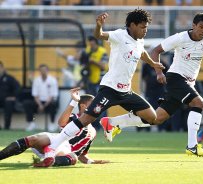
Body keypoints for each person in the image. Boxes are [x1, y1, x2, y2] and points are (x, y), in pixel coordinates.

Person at [35, 9, 165, 167]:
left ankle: (112, 123)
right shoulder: (120, 35)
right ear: (132, 25)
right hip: (110, 89)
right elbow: (99, 35)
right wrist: (98, 26)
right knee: (86, 119)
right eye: (143, 27)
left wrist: (153, 64)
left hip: (126, 91)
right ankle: (52, 147)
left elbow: (142, 52)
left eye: (146, 27)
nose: (146, 30)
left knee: (152, 117)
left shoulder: (139, 40)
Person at [101, 13, 203, 156]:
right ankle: (192, 146)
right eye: (201, 27)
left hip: (188, 83)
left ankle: (112, 122)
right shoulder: (180, 38)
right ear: (193, 26)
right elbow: (155, 51)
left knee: (157, 118)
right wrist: (159, 72)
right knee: (199, 103)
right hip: (175, 79)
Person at [0, 88, 109, 166]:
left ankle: (48, 159)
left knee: (74, 158)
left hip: (66, 152)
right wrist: (74, 102)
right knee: (33, 139)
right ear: (83, 106)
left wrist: (93, 162)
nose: (96, 106)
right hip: (57, 139)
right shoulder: (74, 117)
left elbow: (82, 155)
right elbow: (61, 123)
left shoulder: (93, 131)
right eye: (93, 104)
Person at [23, 64, 59, 132]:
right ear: (39, 71)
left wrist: (44, 105)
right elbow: (35, 95)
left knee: (53, 104)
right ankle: (32, 123)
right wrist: (40, 105)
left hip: (49, 102)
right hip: (39, 102)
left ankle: (52, 124)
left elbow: (52, 95)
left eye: (44, 70)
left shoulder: (52, 80)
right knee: (27, 103)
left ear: (47, 71)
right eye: (41, 70)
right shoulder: (36, 80)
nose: (43, 71)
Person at [0, 61, 21, 130]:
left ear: (3, 68)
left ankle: (7, 126)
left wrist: (13, 97)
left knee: (8, 103)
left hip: (7, 100)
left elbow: (18, 88)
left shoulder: (9, 78)